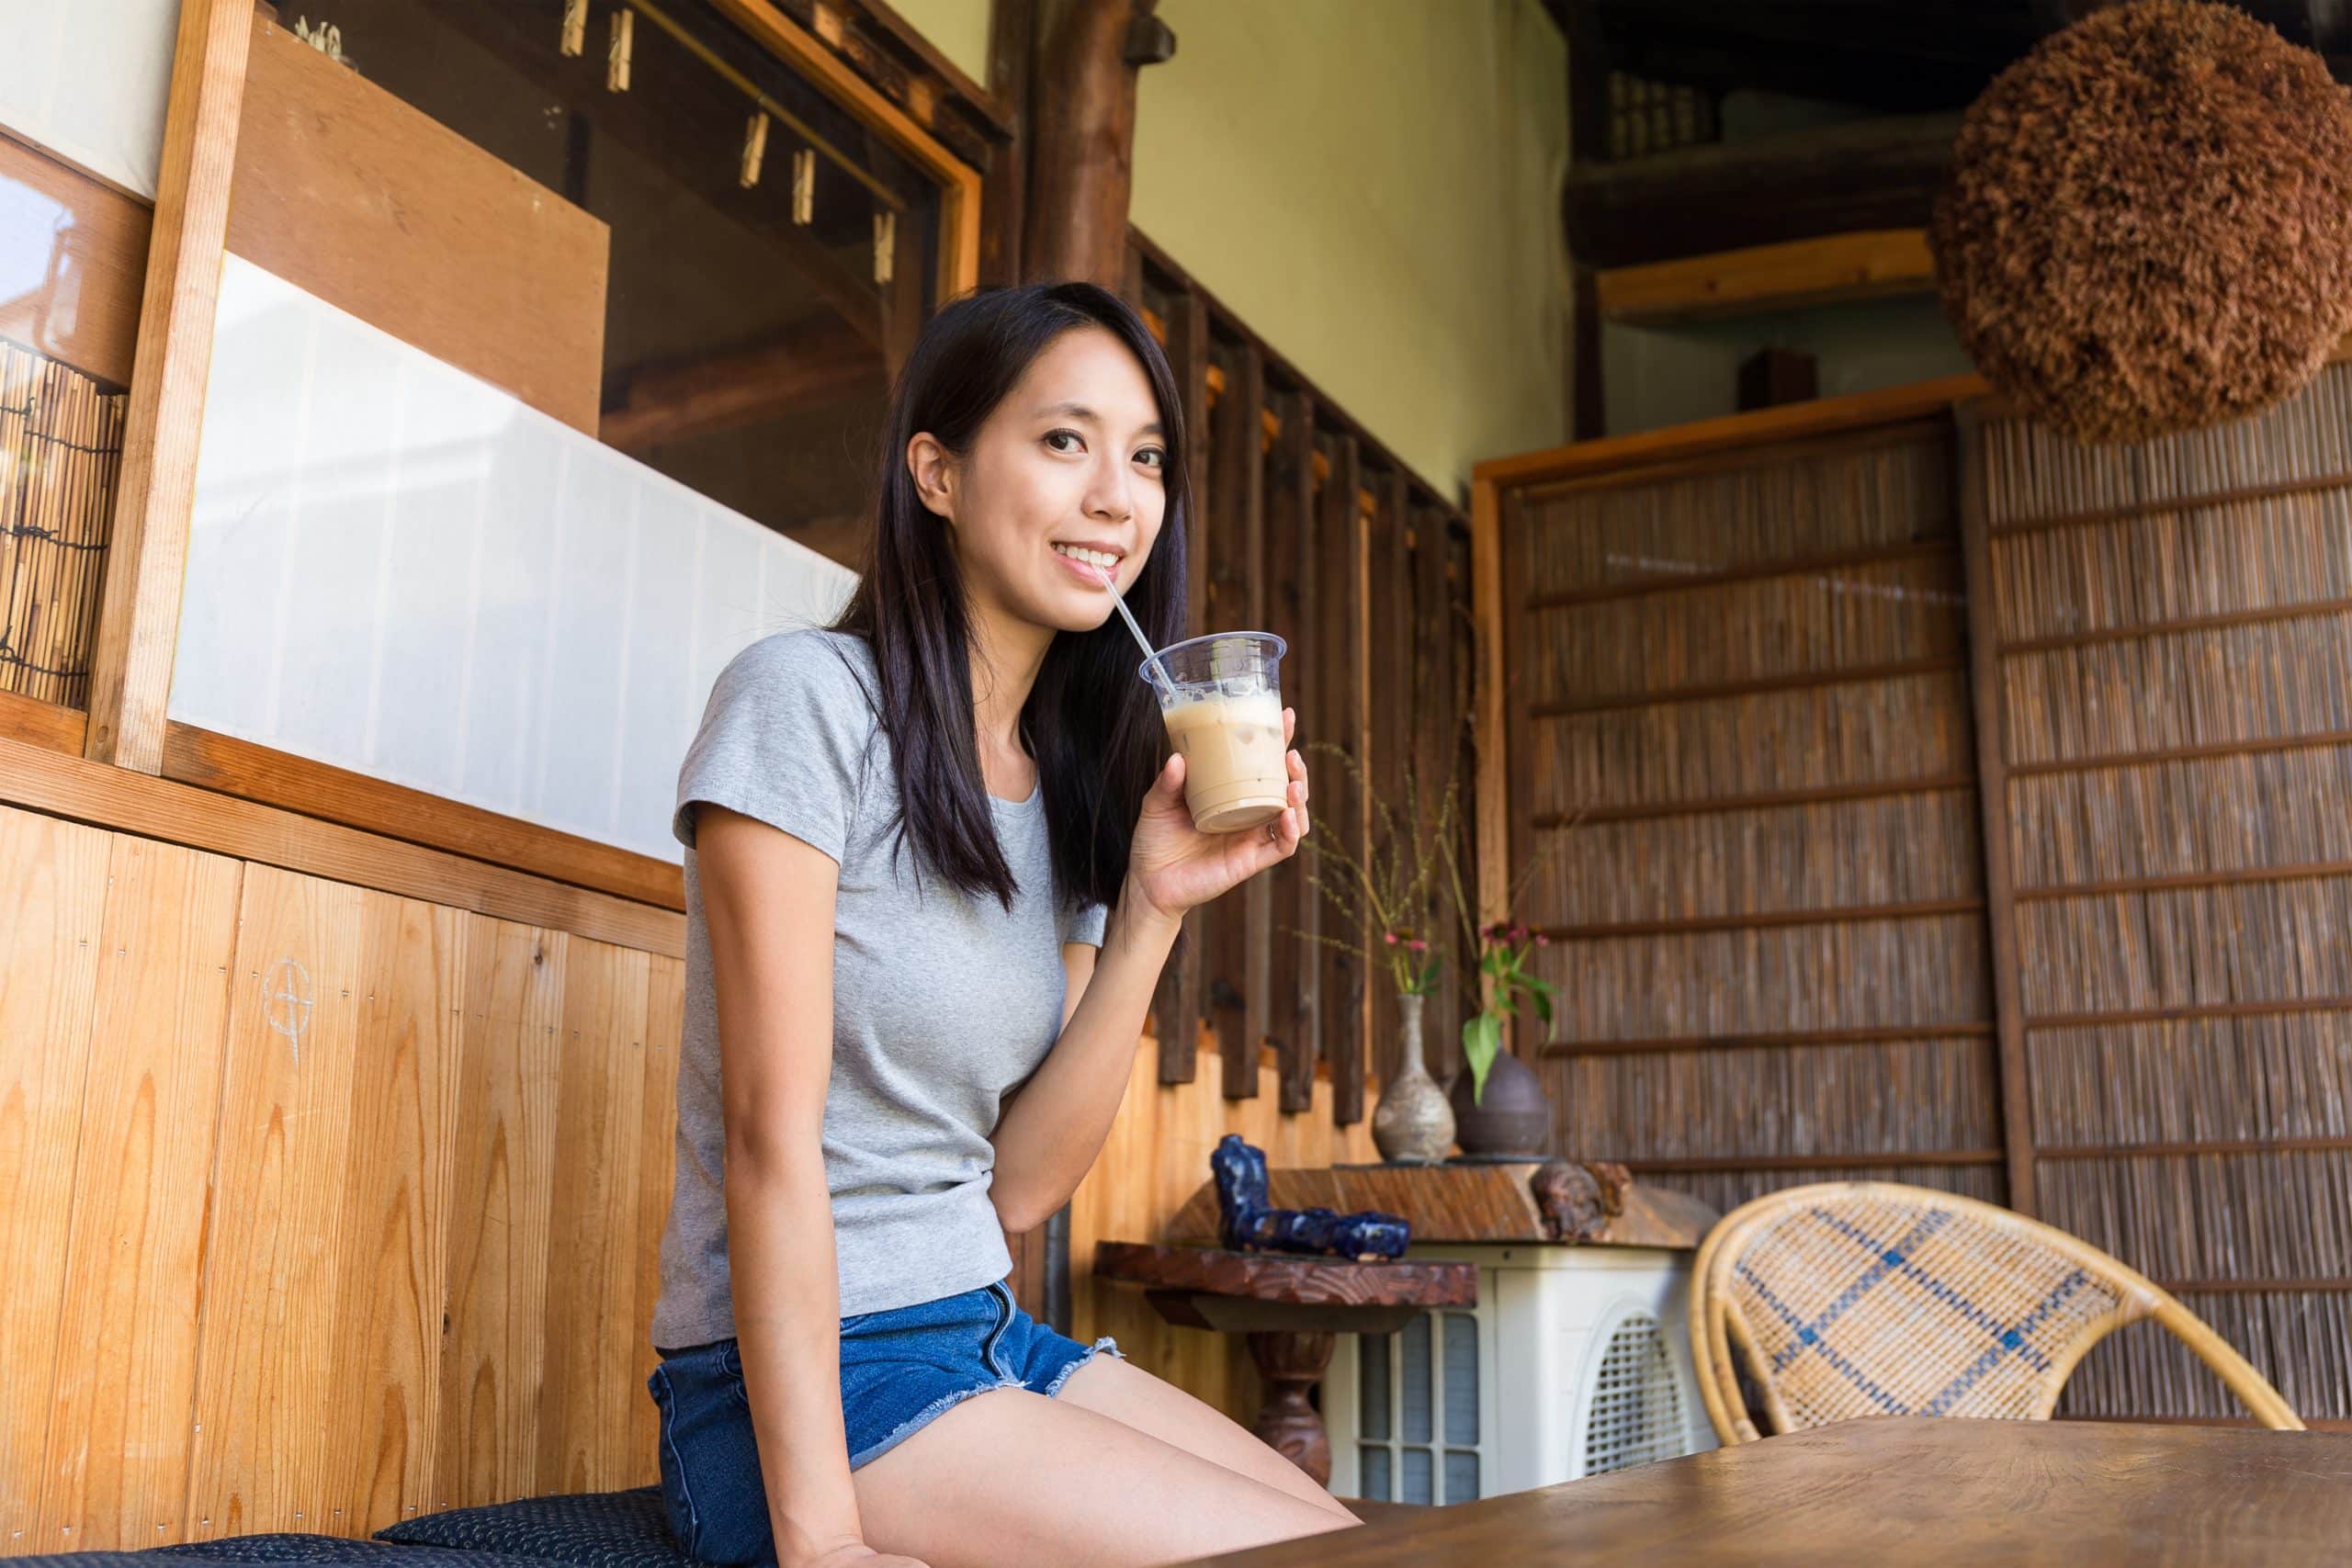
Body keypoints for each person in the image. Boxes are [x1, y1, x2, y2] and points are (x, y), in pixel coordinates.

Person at [645, 282, 1356, 1568]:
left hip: (981, 1330)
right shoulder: (805, 703)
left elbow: (1020, 1184)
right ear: (938, 472)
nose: (1116, 497)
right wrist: (824, 1546)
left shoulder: (1070, 780)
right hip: (795, 1393)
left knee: (1348, 1543)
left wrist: (1150, 912)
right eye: (1063, 440)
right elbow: (767, 1144)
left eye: (1144, 458)